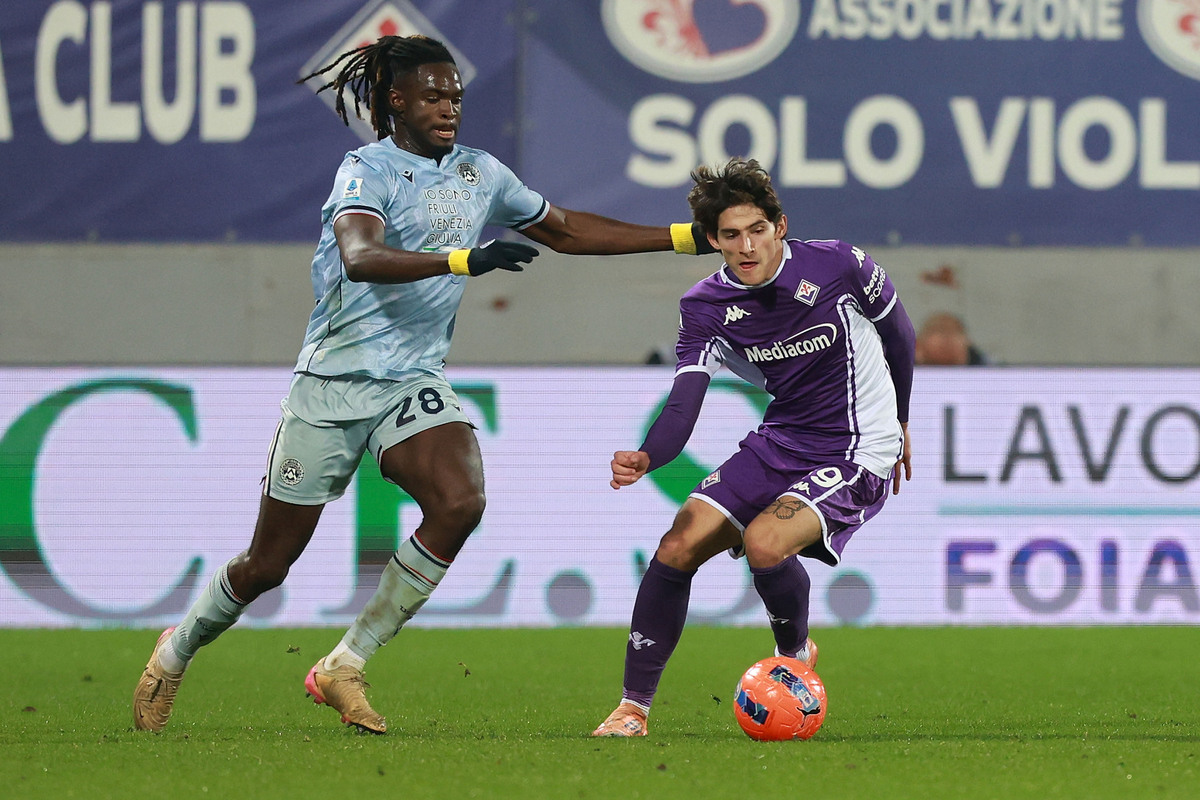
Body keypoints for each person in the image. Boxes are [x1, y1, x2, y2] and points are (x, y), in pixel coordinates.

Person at [132, 34, 716, 735]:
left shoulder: (481, 173)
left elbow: (564, 229)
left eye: (457, 96)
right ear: (395, 101)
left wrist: (685, 237)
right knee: (267, 566)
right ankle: (175, 653)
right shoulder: (365, 169)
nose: (449, 107)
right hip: (330, 386)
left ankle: (344, 664)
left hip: (410, 382)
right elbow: (361, 256)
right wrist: (464, 258)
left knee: (460, 501)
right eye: (434, 95)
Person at [591, 157, 915, 738]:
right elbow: (685, 399)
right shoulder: (704, 307)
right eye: (732, 235)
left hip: (857, 448)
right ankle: (631, 708)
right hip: (780, 439)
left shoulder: (840, 265)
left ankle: (793, 656)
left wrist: (902, 422)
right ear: (713, 239)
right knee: (677, 544)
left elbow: (900, 336)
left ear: (780, 226)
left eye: (757, 230)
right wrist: (648, 456)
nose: (747, 246)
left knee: (765, 542)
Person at [914, 311, 988, 366]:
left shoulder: (989, 378)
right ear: (918, 345)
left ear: (968, 342)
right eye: (939, 330)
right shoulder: (905, 379)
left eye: (955, 330)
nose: (947, 337)